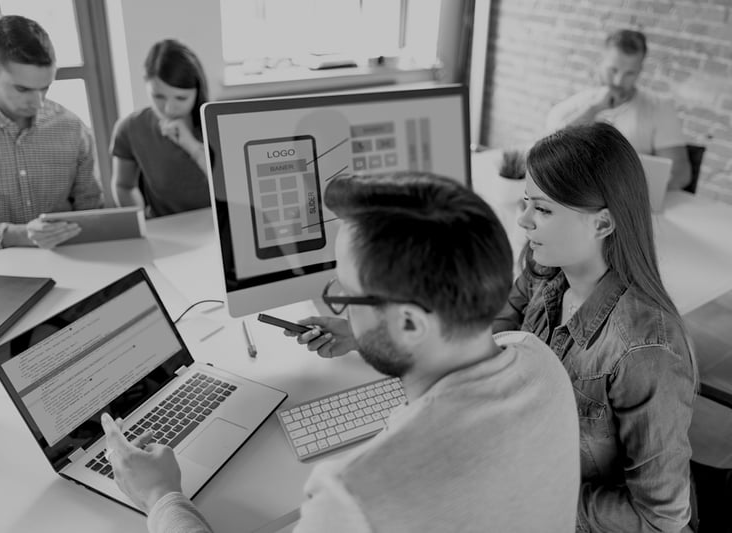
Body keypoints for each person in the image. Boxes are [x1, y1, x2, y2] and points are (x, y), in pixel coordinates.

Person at [101, 172, 581, 532]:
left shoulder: (354, 497)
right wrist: (370, 332)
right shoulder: (540, 362)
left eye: (346, 296)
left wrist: (161, 495)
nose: (342, 309)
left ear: (411, 322)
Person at [492, 123, 696, 532]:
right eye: (527, 203)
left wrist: (533, 494)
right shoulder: (545, 271)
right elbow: (496, 330)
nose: (525, 222)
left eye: (544, 209)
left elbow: (661, 519)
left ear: (603, 224)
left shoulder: (645, 350)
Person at [0, 15, 103, 258]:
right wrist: (23, 235)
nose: (38, 102)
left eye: (45, 87)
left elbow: (91, 209)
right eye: (22, 89)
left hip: (65, 258)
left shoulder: (71, 126)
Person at [545, 29, 691, 190]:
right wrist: (595, 109)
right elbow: (551, 150)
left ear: (640, 71)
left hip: (631, 199)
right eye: (613, 70)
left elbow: (680, 173)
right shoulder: (577, 104)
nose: (618, 81)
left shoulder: (659, 107)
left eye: (630, 73)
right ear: (600, 63)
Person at [110, 39, 212, 218]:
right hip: (166, 229)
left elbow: (232, 189)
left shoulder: (216, 121)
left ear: (197, 90)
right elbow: (123, 185)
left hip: (218, 225)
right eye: (158, 96)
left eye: (181, 98)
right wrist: (143, 222)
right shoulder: (130, 128)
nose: (169, 109)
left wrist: (192, 146)